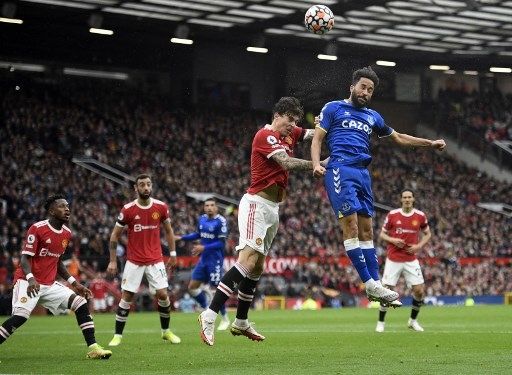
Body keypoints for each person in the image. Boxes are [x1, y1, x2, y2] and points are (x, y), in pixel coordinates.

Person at [311, 66, 445, 306]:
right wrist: (315, 164)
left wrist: (430, 143)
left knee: (367, 231)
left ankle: (376, 285)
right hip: (341, 169)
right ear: (352, 87)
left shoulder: (373, 116)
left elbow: (399, 138)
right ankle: (370, 283)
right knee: (350, 225)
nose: (366, 92)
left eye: (370, 90)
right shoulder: (333, 108)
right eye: (363, 87)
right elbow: (318, 138)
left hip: (363, 174)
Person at [198, 96, 325, 346]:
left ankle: (241, 321)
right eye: (290, 121)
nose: (293, 127)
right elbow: (286, 162)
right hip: (256, 204)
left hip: (273, 208)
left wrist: (325, 123)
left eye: (295, 122)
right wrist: (318, 164)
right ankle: (209, 315)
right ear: (278, 115)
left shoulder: (289, 133)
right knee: (247, 261)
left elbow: (313, 135)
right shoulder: (265, 136)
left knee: (257, 267)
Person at [0, 195, 112, 359]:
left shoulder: (66, 233)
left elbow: (57, 261)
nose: (67, 209)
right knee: (21, 317)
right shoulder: (37, 228)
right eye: (62, 206)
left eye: (67, 206)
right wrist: (31, 279)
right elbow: (25, 258)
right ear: (51, 211)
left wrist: (75, 283)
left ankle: (94, 348)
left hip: (49, 284)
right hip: (27, 281)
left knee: (80, 303)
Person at [106, 173, 181, 346]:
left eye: (148, 184)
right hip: (134, 261)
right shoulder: (128, 210)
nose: (145, 187)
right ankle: (117, 335)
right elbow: (115, 235)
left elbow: (169, 231)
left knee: (163, 294)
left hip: (156, 259)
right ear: (136, 188)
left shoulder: (161, 207)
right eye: (142, 185)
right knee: (127, 297)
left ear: (152, 186)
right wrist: (112, 260)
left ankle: (166, 332)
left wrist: (173, 254)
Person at [376, 189, 432, 332]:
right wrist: (393, 240)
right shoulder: (393, 215)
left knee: (419, 291)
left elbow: (428, 234)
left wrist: (418, 246)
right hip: (393, 258)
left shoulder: (420, 216)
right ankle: (381, 322)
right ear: (401, 200)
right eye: (404, 197)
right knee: (386, 290)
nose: (407, 199)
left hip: (410, 259)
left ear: (413, 199)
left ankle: (413, 321)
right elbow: (382, 234)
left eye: (409, 197)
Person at [175, 198, 231, 330]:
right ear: (204, 207)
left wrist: (203, 248)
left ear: (216, 207)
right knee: (192, 287)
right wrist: (182, 238)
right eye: (207, 205)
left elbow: (221, 243)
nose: (209, 207)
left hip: (215, 260)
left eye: (212, 205)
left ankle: (225, 318)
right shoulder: (201, 219)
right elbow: (198, 235)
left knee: (216, 289)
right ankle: (207, 308)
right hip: (203, 260)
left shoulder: (221, 221)